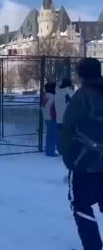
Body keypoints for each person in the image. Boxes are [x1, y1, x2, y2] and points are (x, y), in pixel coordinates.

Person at [59, 58, 103, 250]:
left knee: (81, 206)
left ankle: (93, 246)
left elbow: (67, 129)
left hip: (86, 163)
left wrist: (68, 158)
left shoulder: (83, 96)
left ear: (81, 74)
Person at [42, 82, 57, 157]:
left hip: (46, 117)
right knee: (52, 136)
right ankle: (51, 152)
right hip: (52, 118)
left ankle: (48, 151)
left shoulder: (45, 96)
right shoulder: (53, 97)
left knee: (49, 135)